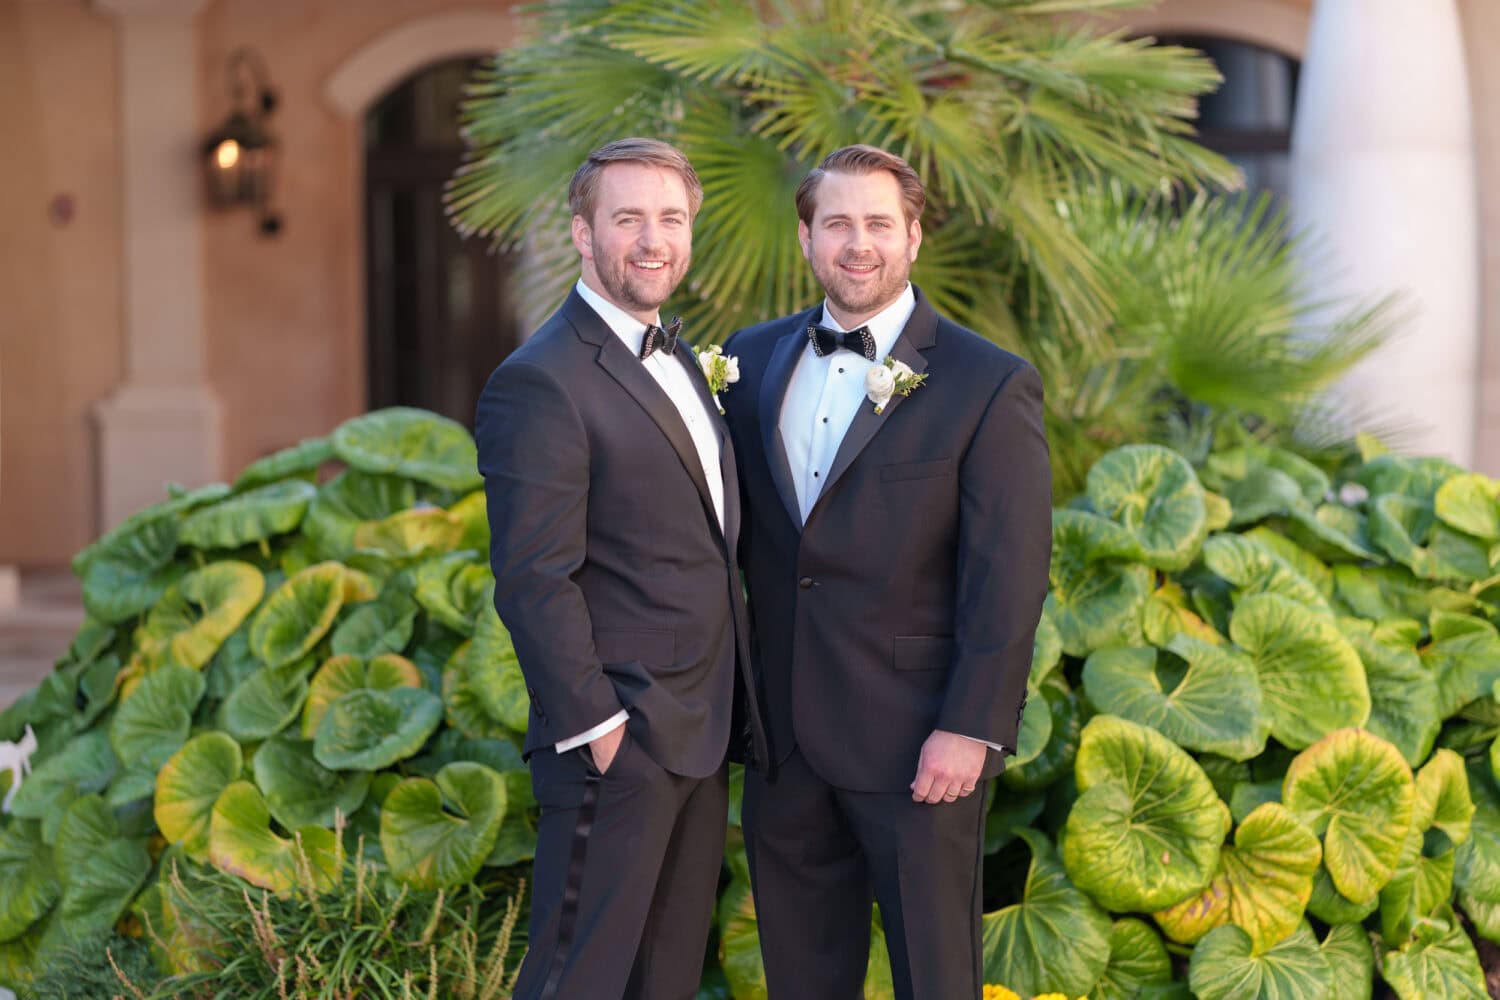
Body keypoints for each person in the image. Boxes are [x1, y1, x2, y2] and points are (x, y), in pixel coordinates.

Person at [720, 145, 1052, 1000]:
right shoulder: (747, 363)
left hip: (919, 746)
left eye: (877, 224)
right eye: (836, 224)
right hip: (783, 744)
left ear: (911, 237)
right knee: (801, 978)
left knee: (936, 980)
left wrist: (971, 727)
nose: (856, 243)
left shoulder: (988, 382)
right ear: (806, 238)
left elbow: (1008, 572)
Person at [475, 137, 765, 1000]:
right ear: (581, 232)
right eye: (627, 217)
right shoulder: (541, 382)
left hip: (700, 733)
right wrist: (600, 732)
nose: (652, 239)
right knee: (579, 979)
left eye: (670, 218)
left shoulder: (679, 356)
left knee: (662, 980)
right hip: (621, 738)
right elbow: (533, 577)